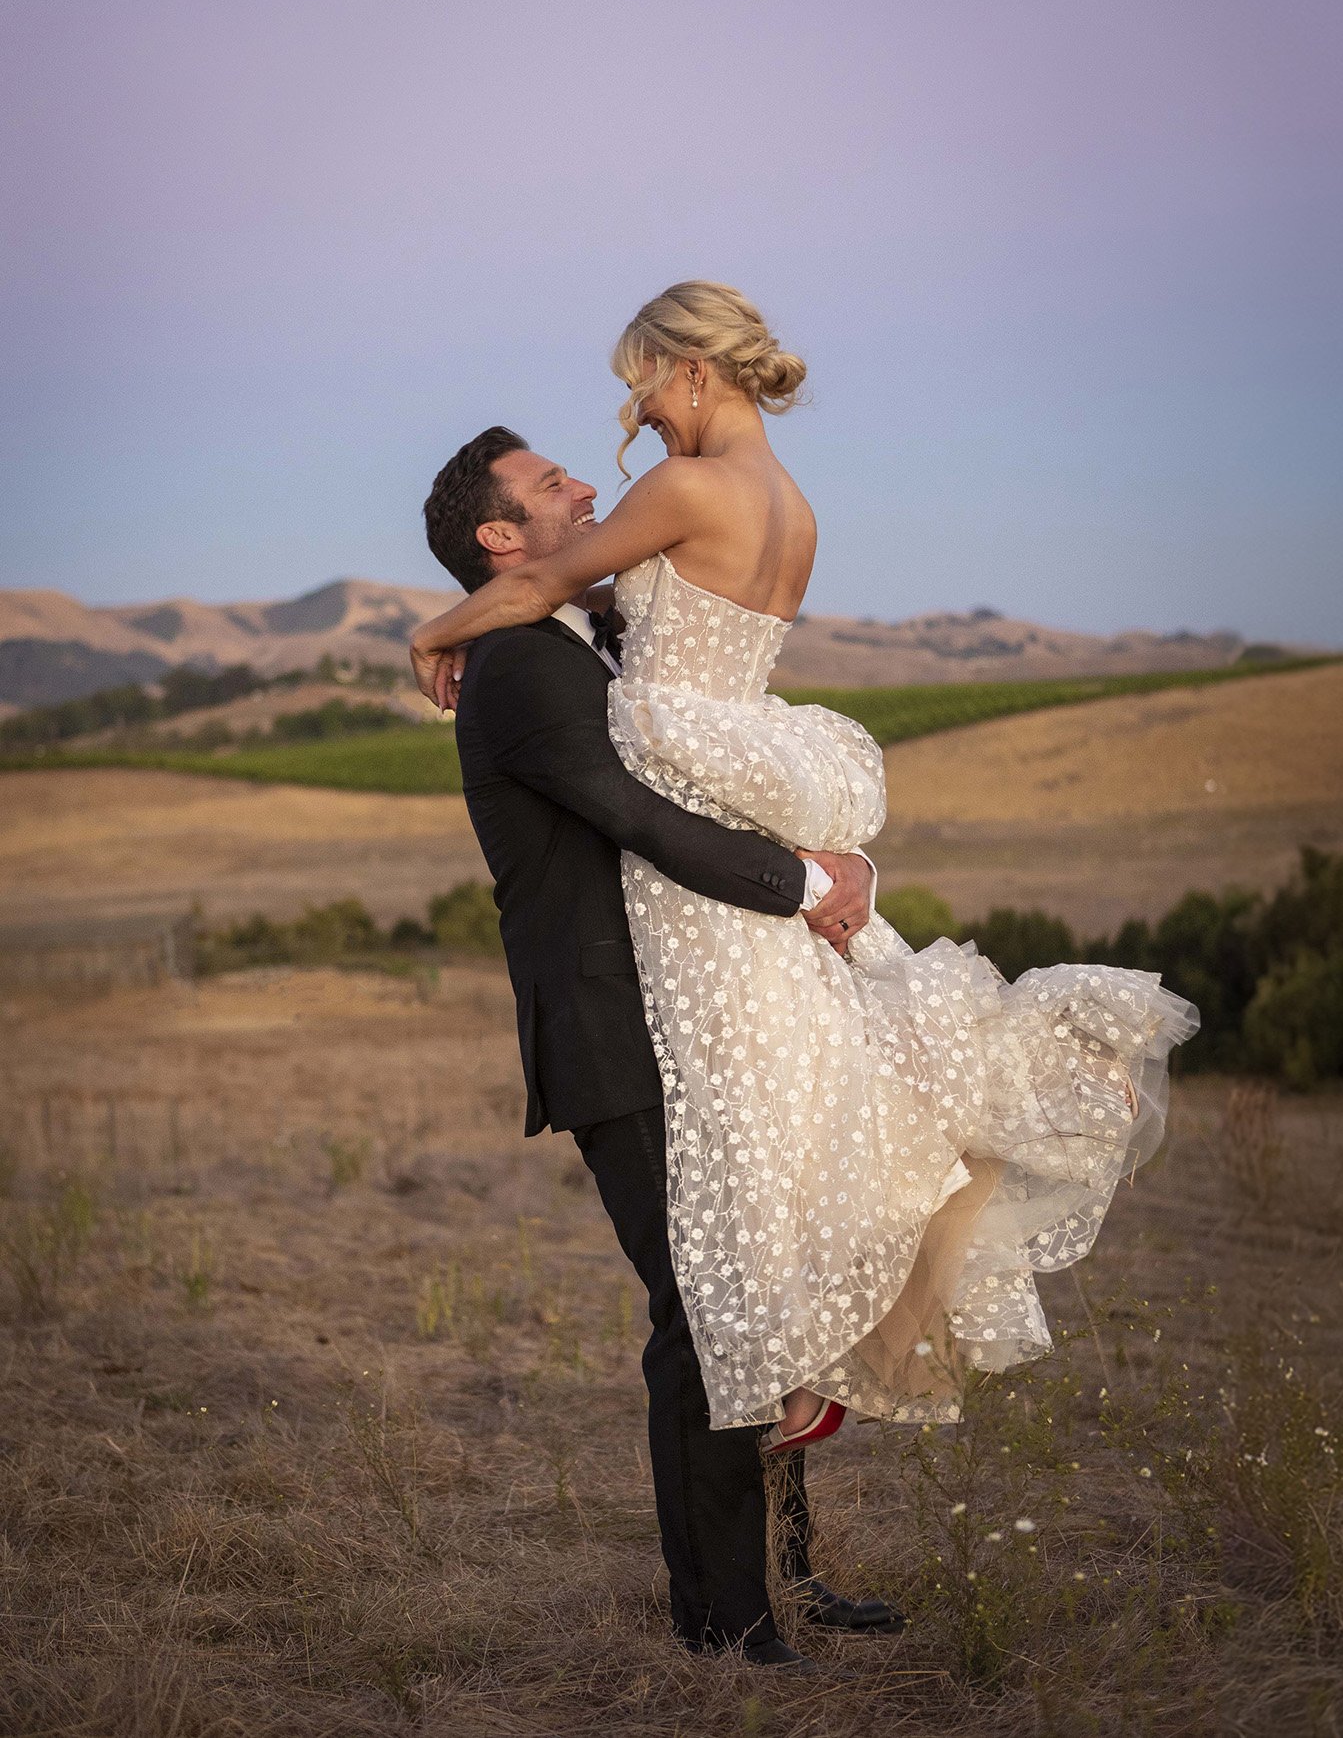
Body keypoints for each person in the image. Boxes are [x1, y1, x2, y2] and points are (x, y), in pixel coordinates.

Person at [412, 279, 1198, 1454]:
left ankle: (797, 1372)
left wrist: (428, 631)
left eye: (640, 379)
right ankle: (833, 1361)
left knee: (749, 1139)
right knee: (828, 1097)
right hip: (737, 770)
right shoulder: (796, 507)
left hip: (692, 818)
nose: (630, 413)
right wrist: (810, 865)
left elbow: (533, 587)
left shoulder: (680, 487)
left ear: (689, 371)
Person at [422, 424, 903, 1670]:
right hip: (615, 1034)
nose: (586, 484)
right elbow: (637, 816)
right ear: (498, 538)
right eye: (548, 485)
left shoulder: (596, 634)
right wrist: (809, 881)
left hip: (701, 1014)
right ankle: (726, 1622)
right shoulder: (522, 667)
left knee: (761, 1292)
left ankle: (784, 1582)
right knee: (702, 1312)